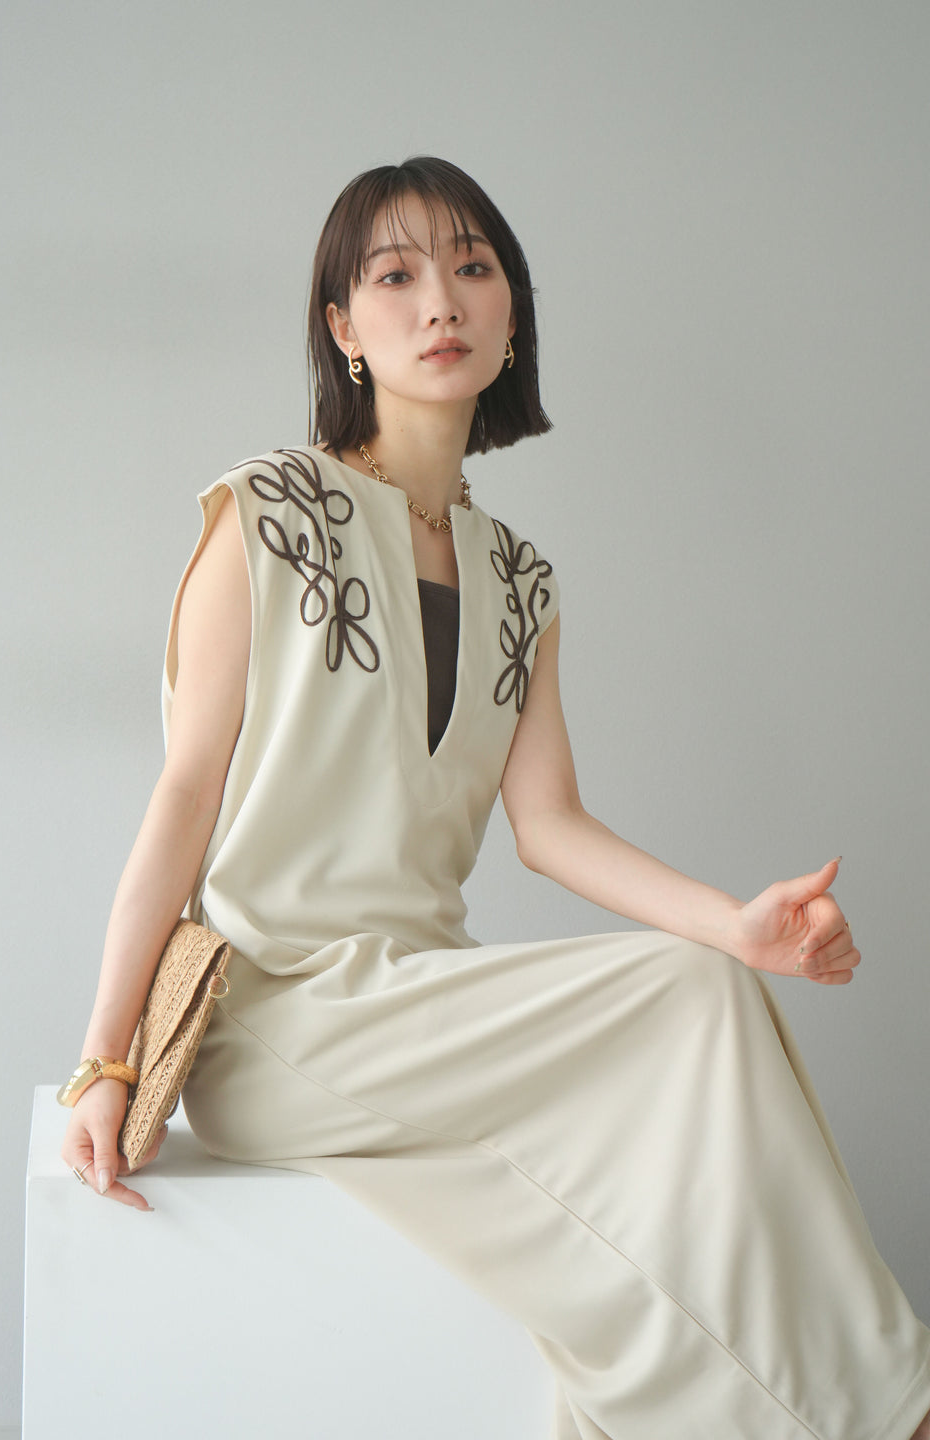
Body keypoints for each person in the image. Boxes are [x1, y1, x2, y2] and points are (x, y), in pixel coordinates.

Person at [59, 157, 930, 1440]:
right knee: (688, 1002)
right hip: (281, 1016)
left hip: (430, 1005)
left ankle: (838, 1406)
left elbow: (551, 825)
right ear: (343, 329)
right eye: (394, 276)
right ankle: (898, 1409)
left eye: (472, 267)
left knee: (712, 1007)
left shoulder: (521, 580)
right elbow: (184, 797)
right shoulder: (264, 514)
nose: (440, 301)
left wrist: (740, 926)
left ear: (512, 313)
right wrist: (105, 1059)